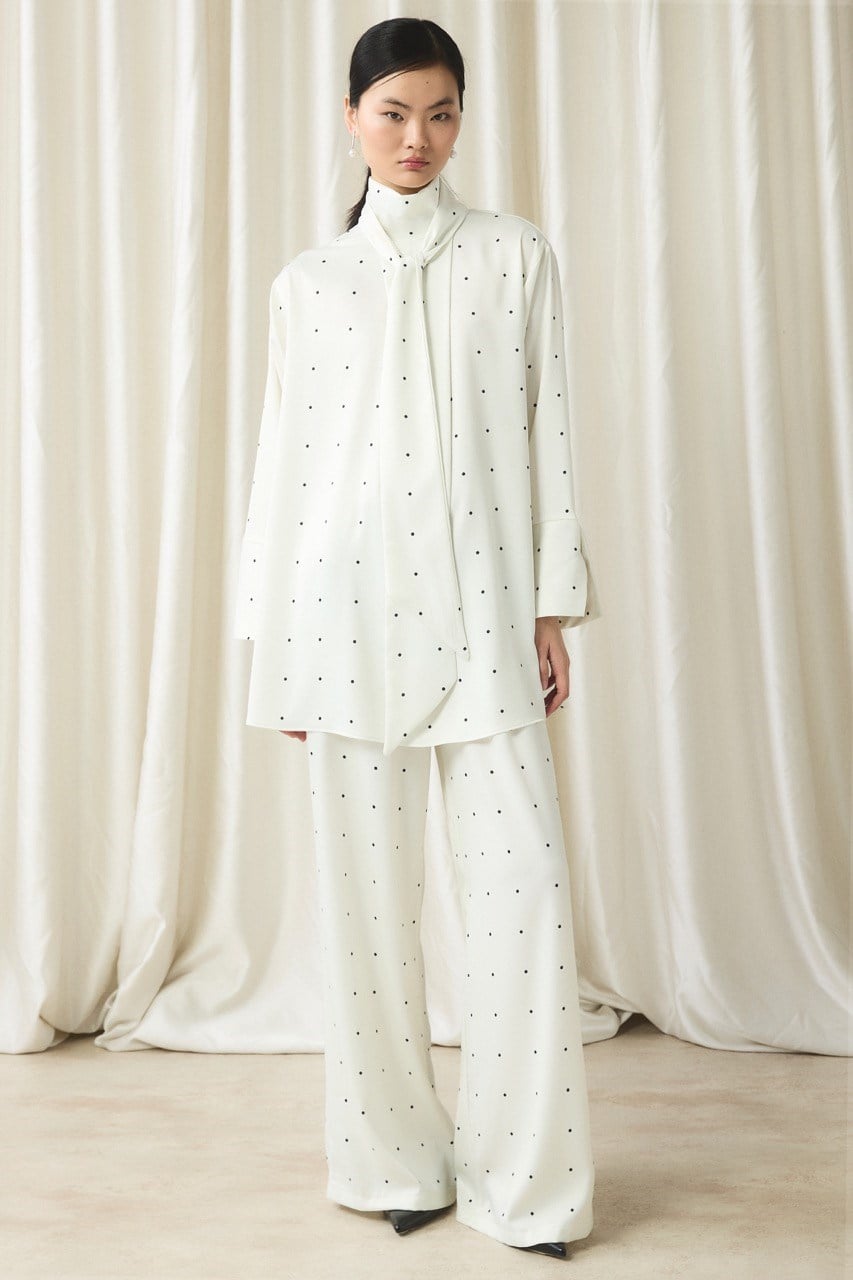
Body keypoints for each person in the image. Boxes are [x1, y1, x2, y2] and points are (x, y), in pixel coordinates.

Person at [233, 16, 600, 1261]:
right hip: (340, 625)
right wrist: (277, 646)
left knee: (521, 903)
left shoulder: (515, 256)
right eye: (393, 113)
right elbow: (283, 469)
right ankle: (393, 1159)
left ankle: (527, 1186)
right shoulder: (308, 284)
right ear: (351, 118)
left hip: (488, 617)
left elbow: (551, 435)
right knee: (365, 914)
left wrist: (550, 606)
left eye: (440, 113)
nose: (417, 137)